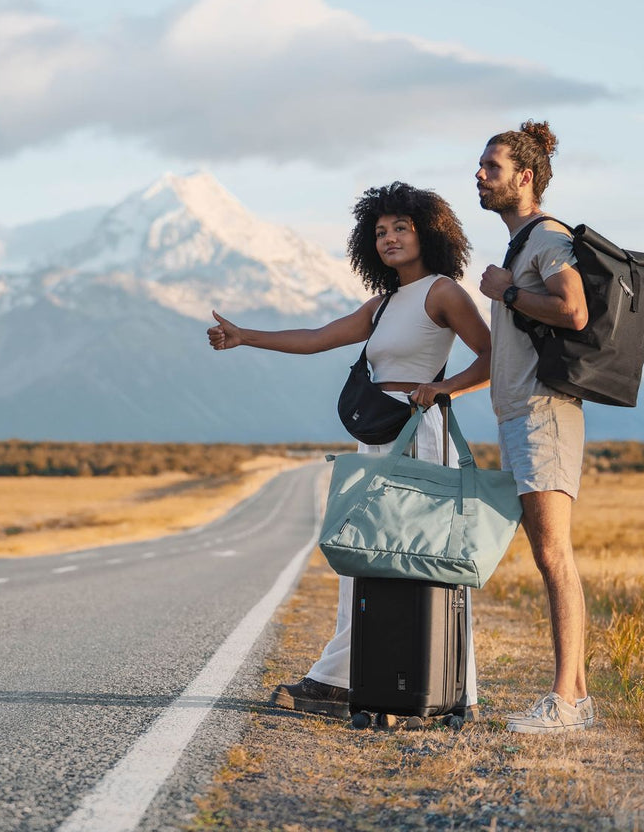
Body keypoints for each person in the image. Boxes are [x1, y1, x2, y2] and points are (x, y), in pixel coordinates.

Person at [207, 182, 491, 719]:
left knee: (428, 555)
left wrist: (444, 388)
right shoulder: (381, 305)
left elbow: (492, 357)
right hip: (377, 433)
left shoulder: (443, 292)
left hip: (420, 435)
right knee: (361, 552)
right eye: (380, 232)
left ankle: (456, 688)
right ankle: (342, 680)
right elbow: (318, 337)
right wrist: (246, 336)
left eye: (401, 228)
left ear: (428, 232)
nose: (389, 238)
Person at [474, 120, 595, 733]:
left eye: (491, 167)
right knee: (550, 556)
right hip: (523, 414)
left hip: (543, 413)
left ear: (524, 178)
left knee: (553, 556)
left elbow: (573, 309)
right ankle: (576, 698)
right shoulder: (522, 244)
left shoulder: (546, 237)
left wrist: (507, 293)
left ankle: (565, 703)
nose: (479, 175)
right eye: (480, 166)